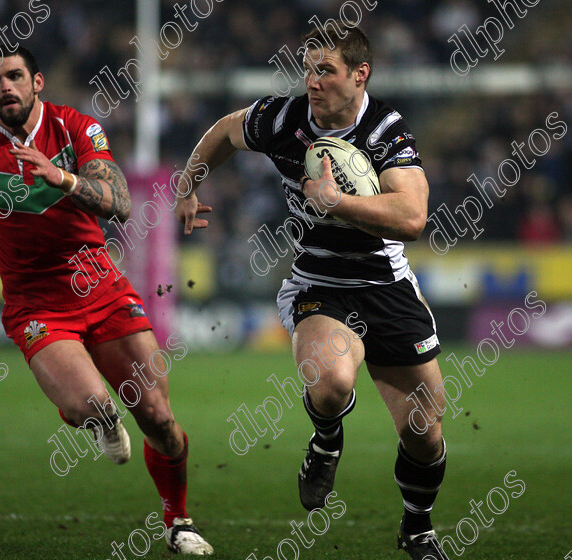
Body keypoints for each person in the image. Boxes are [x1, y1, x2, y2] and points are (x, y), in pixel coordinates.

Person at [0, 46, 212, 556]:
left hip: (101, 287)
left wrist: (64, 179)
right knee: (96, 405)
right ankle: (84, 412)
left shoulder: (76, 128)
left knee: (159, 419)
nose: (4, 86)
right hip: (37, 306)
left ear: (37, 82)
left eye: (14, 76)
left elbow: (120, 202)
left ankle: (177, 520)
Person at [174, 25, 449, 560]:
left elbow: (413, 217)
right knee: (330, 385)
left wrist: (335, 202)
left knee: (425, 433)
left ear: (359, 74)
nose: (312, 81)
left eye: (326, 70)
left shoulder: (385, 129)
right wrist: (188, 184)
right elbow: (227, 132)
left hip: (386, 286)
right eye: (308, 68)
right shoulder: (283, 118)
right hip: (319, 283)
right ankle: (326, 440)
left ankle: (417, 528)